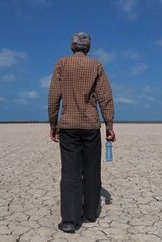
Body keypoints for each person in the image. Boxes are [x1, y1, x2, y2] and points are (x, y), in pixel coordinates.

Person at [48, 32, 115, 233]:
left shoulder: (62, 63)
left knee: (70, 173)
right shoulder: (96, 66)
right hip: (90, 126)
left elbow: (53, 97)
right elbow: (106, 97)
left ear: (72, 46)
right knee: (92, 171)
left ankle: (69, 220)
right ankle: (90, 214)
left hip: (68, 127)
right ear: (88, 48)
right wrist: (109, 126)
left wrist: (53, 124)